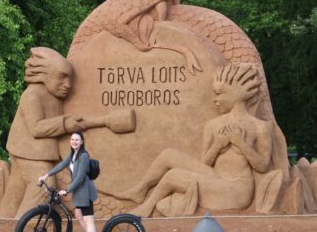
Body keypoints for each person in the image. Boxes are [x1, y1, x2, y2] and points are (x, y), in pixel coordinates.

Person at [117, 64, 273, 217]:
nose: (215, 99)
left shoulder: (260, 126)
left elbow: (263, 166)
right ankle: (140, 190)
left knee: (174, 175)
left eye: (220, 93)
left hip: (237, 189)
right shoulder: (213, 125)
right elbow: (204, 163)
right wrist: (217, 145)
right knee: (168, 154)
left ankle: (147, 208)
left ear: (237, 94)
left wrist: (240, 143)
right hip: (215, 177)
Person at [0, 47, 87, 218]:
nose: (67, 84)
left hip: (41, 153)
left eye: (70, 79)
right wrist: (65, 124)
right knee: (44, 183)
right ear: (45, 75)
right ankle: (26, 223)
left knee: (17, 186)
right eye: (62, 77)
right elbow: (36, 128)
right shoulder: (32, 96)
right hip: (28, 151)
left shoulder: (54, 97)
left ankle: (6, 218)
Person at [39, 131, 99, 232]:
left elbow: (80, 178)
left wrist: (67, 190)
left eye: (77, 140)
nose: (74, 142)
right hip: (79, 191)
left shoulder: (83, 156)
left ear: (82, 142)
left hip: (85, 192)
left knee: (89, 220)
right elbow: (61, 165)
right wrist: (47, 175)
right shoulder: (73, 154)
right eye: (72, 139)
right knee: (79, 215)